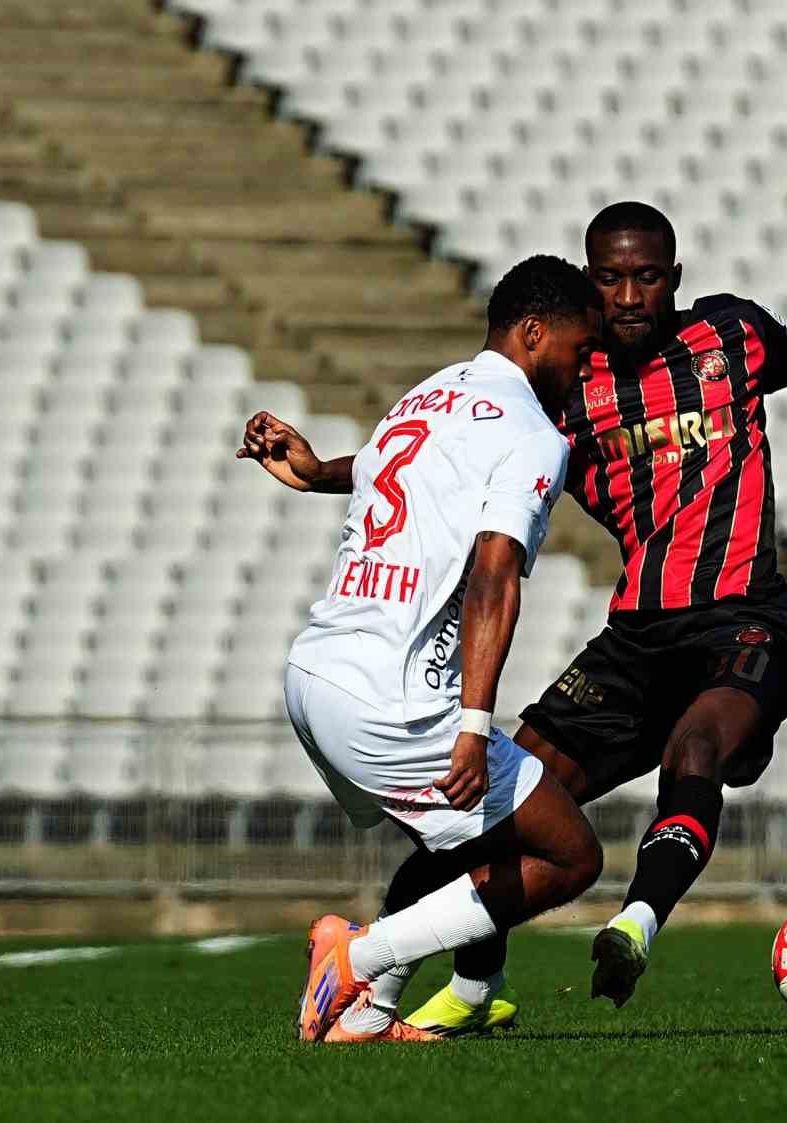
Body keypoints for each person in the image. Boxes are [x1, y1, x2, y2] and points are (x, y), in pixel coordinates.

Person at [404, 202, 787, 1034]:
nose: (629, 294)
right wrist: (327, 471)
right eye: (609, 278)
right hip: (635, 639)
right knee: (500, 803)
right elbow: (446, 453)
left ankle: (636, 923)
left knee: (695, 750)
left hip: (743, 621)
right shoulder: (569, 384)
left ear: (673, 279)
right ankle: (474, 989)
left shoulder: (733, 336)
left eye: (646, 276)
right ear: (589, 281)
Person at [236, 254, 605, 1044]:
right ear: (535, 333)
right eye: (580, 350)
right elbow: (494, 578)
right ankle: (360, 957)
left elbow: (382, 472)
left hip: (315, 674)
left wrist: (309, 475)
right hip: (390, 698)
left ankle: (366, 1015)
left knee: (459, 847)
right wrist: (474, 721)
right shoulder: (533, 433)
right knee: (570, 855)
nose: (583, 371)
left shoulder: (428, 393)